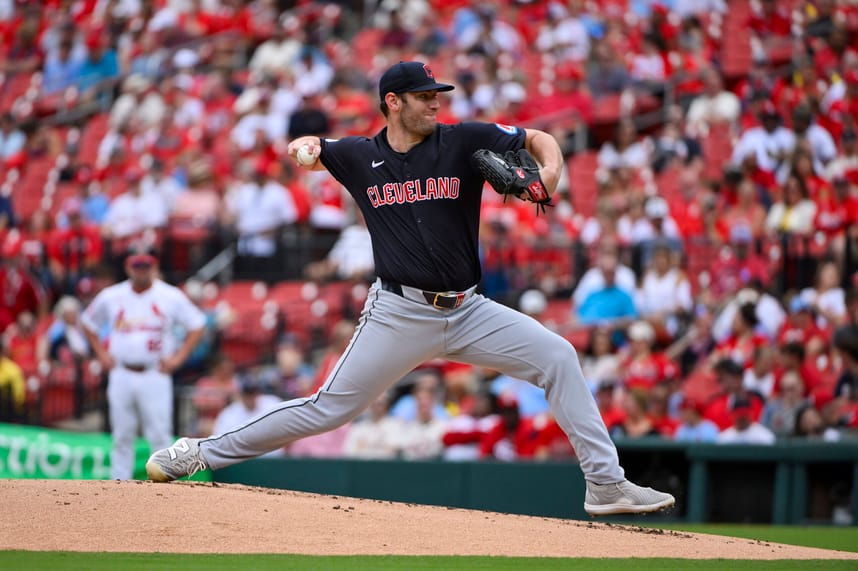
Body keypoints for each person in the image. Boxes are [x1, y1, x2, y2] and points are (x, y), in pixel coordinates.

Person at [146, 60, 675, 516]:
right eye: (425, 97)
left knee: (559, 356)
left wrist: (551, 174)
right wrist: (307, 145)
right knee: (328, 408)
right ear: (392, 102)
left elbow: (538, 139)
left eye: (437, 96)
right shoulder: (357, 155)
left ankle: (606, 484)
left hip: (470, 311)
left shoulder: (465, 140)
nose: (435, 104)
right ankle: (199, 453)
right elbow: (315, 146)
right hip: (399, 314)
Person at [82, 251, 206, 480]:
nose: (141, 270)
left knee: (159, 435)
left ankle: (163, 483)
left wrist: (179, 358)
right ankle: (120, 484)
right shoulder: (112, 295)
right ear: (128, 268)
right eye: (136, 265)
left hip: (154, 372)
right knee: (121, 435)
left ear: (154, 267)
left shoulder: (169, 295)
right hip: (122, 371)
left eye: (146, 265)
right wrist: (100, 353)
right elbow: (88, 322)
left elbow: (197, 324)